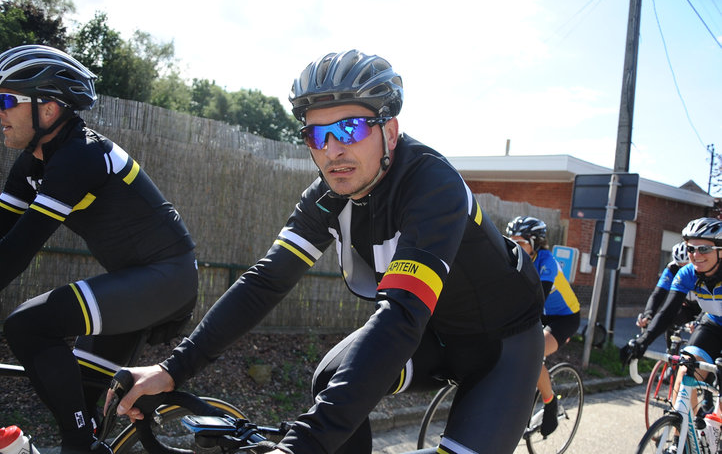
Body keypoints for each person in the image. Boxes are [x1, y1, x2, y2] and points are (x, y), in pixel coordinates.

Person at [111, 50, 546, 454]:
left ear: (389, 131)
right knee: (330, 376)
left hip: (501, 347)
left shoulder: (434, 185)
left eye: (350, 129)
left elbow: (399, 315)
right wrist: (171, 370)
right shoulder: (327, 196)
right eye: (317, 135)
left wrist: (302, 446)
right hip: (433, 335)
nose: (333, 150)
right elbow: (264, 283)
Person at [0, 45, 198, 454]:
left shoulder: (80, 156)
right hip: (132, 281)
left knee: (27, 325)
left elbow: (17, 252)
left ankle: (81, 446)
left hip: (166, 277)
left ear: (49, 109)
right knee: (82, 402)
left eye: (5, 100)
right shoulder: (31, 163)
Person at [620, 217, 722, 411]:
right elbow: (667, 311)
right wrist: (642, 342)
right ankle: (681, 439)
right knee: (685, 373)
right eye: (691, 248)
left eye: (704, 249)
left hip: (707, 319)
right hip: (714, 323)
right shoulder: (686, 273)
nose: (696, 255)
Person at [506, 215, 581, 436]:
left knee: (531, 354)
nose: (513, 247)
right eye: (511, 241)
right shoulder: (513, 258)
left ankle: (550, 403)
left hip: (564, 318)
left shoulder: (547, 261)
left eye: (519, 242)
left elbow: (539, 299)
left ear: (535, 243)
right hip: (543, 314)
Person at [636, 241, 700, 349]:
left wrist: (698, 321)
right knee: (670, 321)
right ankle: (672, 357)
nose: (683, 270)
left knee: (702, 334)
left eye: (687, 266)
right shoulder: (672, 269)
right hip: (687, 306)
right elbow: (658, 294)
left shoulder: (703, 269)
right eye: (680, 266)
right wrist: (648, 314)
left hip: (706, 307)